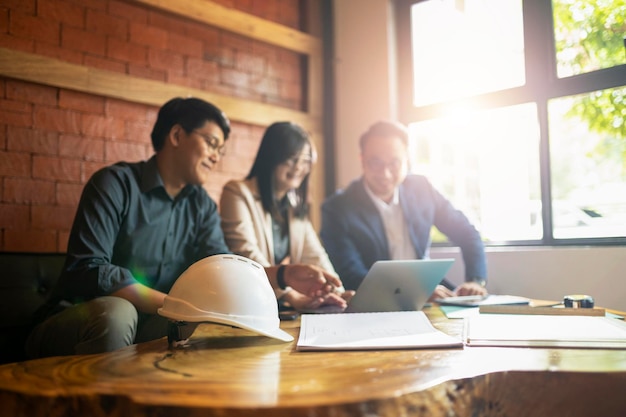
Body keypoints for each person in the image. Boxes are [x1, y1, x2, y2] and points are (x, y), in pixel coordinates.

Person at [25, 98, 342, 359]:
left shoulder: (200, 205)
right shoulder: (114, 184)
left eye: (222, 150)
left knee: (206, 328)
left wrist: (284, 276)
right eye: (211, 143)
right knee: (118, 312)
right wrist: (175, 305)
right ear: (176, 136)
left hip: (154, 318)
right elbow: (90, 269)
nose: (217, 156)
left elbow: (223, 268)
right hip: (75, 319)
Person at [320, 120, 487, 300]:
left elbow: (467, 233)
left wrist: (475, 281)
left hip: (434, 295)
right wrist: (415, 292)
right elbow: (352, 275)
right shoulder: (336, 209)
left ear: (406, 160)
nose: (385, 173)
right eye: (375, 162)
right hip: (374, 303)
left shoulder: (422, 189)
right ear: (362, 160)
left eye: (394, 163)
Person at [220, 121, 354, 312]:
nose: (299, 167)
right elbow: (247, 255)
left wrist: (337, 291)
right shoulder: (237, 192)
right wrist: (292, 296)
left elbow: (315, 255)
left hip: (275, 307)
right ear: (271, 157)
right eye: (292, 158)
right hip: (244, 305)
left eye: (306, 160)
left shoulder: (293, 205)